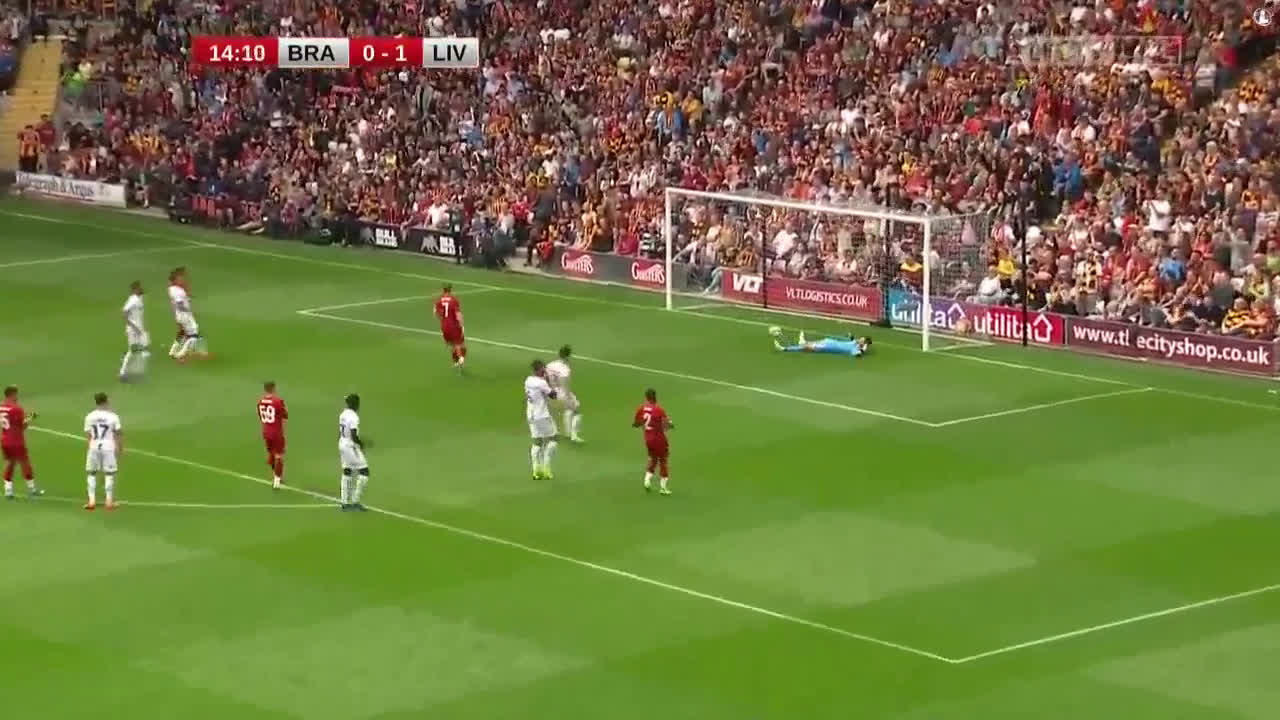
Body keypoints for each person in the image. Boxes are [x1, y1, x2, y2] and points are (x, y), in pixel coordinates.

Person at [83, 392, 122, 511]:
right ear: (106, 401)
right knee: (109, 474)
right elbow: (118, 433)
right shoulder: (113, 416)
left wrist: (90, 447)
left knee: (91, 473)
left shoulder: (89, 416)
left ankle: (91, 501)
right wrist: (119, 448)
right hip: (108, 447)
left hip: (94, 446)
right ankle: (109, 502)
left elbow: (88, 435)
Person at [0, 385, 40, 499]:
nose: (17, 397)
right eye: (16, 394)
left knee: (10, 463)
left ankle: (8, 490)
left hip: (4, 440)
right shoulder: (16, 408)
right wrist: (31, 417)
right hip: (16, 441)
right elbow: (22, 426)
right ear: (12, 394)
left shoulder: (1, 407)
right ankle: (32, 489)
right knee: (25, 463)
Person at [632, 388, 672, 495]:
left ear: (646, 397)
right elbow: (666, 425)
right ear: (655, 397)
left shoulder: (641, 408)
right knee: (663, 460)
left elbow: (636, 423)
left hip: (648, 439)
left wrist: (642, 424)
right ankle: (663, 488)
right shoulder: (659, 410)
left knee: (653, 459)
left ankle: (647, 480)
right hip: (658, 439)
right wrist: (670, 424)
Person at [524, 359, 559, 480]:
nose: (545, 371)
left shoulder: (528, 380)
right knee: (553, 440)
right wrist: (550, 382)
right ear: (539, 370)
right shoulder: (542, 383)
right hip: (541, 415)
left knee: (537, 442)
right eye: (543, 369)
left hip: (531, 415)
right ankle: (546, 468)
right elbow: (553, 396)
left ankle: (536, 471)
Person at [338, 393, 371, 511]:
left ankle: (344, 502)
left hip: (342, 443)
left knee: (347, 471)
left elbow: (340, 431)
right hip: (350, 446)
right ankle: (355, 501)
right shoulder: (354, 417)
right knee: (364, 471)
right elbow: (353, 434)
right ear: (356, 404)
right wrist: (361, 444)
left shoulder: (343, 414)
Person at [167, 267, 207, 361]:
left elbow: (182, 295)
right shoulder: (178, 291)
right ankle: (180, 354)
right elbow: (180, 304)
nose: (182, 280)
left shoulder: (172, 289)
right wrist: (189, 311)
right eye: (180, 279)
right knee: (193, 335)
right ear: (175, 280)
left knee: (182, 332)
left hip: (179, 314)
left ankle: (173, 351)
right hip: (184, 314)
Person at [546, 345, 582, 443]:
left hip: (549, 391)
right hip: (560, 392)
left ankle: (554, 431)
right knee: (575, 410)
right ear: (568, 356)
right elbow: (564, 385)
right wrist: (568, 399)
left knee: (553, 412)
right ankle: (572, 435)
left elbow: (545, 378)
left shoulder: (550, 365)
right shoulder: (565, 370)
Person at [258, 381, 289, 490]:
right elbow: (285, 415)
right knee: (278, 456)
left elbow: (261, 416)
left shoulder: (260, 402)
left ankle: (275, 475)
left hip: (266, 432)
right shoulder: (277, 401)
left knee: (271, 453)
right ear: (273, 388)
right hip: (276, 433)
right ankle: (277, 481)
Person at [120, 280, 150, 382]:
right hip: (133, 330)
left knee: (138, 350)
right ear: (134, 289)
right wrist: (134, 326)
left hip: (138, 330)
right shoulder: (132, 300)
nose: (141, 289)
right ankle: (122, 373)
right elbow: (124, 313)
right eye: (139, 288)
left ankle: (133, 370)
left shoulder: (138, 298)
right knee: (132, 351)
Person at [770, 328, 872, 357]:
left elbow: (858, 354)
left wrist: (864, 349)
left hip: (827, 347)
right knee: (808, 344)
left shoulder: (855, 349)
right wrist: (850, 336)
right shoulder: (855, 343)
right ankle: (803, 341)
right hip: (829, 341)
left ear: (864, 344)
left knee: (805, 348)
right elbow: (851, 339)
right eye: (861, 338)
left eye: (862, 340)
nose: (860, 339)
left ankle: (784, 349)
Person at [433, 284, 467, 371]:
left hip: (444, 326)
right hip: (454, 325)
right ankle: (461, 358)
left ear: (443, 289)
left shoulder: (439, 300)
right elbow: (458, 314)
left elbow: (435, 313)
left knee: (452, 345)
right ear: (450, 289)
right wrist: (461, 324)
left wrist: (442, 320)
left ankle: (455, 362)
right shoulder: (454, 300)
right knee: (460, 344)